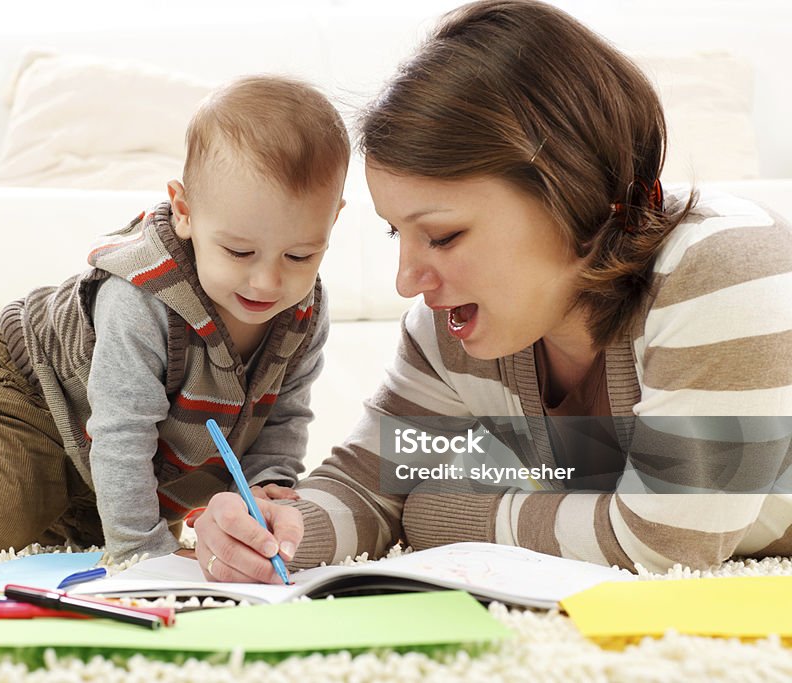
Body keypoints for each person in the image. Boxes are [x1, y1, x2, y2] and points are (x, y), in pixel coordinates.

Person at [191, 0, 792, 583]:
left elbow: (665, 541)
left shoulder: (721, 266)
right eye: (396, 232)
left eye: (444, 235)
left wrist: (445, 514)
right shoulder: (450, 330)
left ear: (573, 194)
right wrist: (276, 527)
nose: (407, 280)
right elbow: (372, 483)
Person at [0, 75, 349, 564]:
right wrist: (139, 554)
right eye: (240, 253)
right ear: (184, 211)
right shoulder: (143, 298)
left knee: (79, 536)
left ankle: (64, 513)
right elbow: (123, 429)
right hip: (26, 384)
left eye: (300, 255)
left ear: (332, 222)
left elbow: (282, 415)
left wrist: (270, 486)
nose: (268, 282)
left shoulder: (302, 312)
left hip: (100, 427)